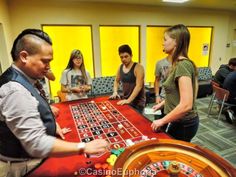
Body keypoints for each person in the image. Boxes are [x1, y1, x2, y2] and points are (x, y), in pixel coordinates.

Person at [0, 29, 108, 177]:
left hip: (31, 160)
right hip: (25, 166)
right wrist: (84, 146)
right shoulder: (15, 90)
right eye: (45, 61)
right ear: (24, 56)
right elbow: (36, 143)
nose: (49, 67)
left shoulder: (25, 79)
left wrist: (51, 125)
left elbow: (34, 106)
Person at [151, 24, 199, 142]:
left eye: (165, 39)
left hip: (183, 124)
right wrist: (162, 104)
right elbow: (177, 95)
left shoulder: (182, 65)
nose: (162, 43)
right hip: (178, 121)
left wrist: (162, 121)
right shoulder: (177, 64)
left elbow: (187, 104)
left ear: (176, 42)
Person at [109, 44, 146, 113]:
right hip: (125, 100)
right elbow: (116, 81)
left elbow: (139, 86)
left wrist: (129, 100)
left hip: (138, 103)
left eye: (126, 56)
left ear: (131, 55)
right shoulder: (120, 67)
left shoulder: (139, 67)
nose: (124, 59)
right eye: (121, 57)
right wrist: (115, 92)